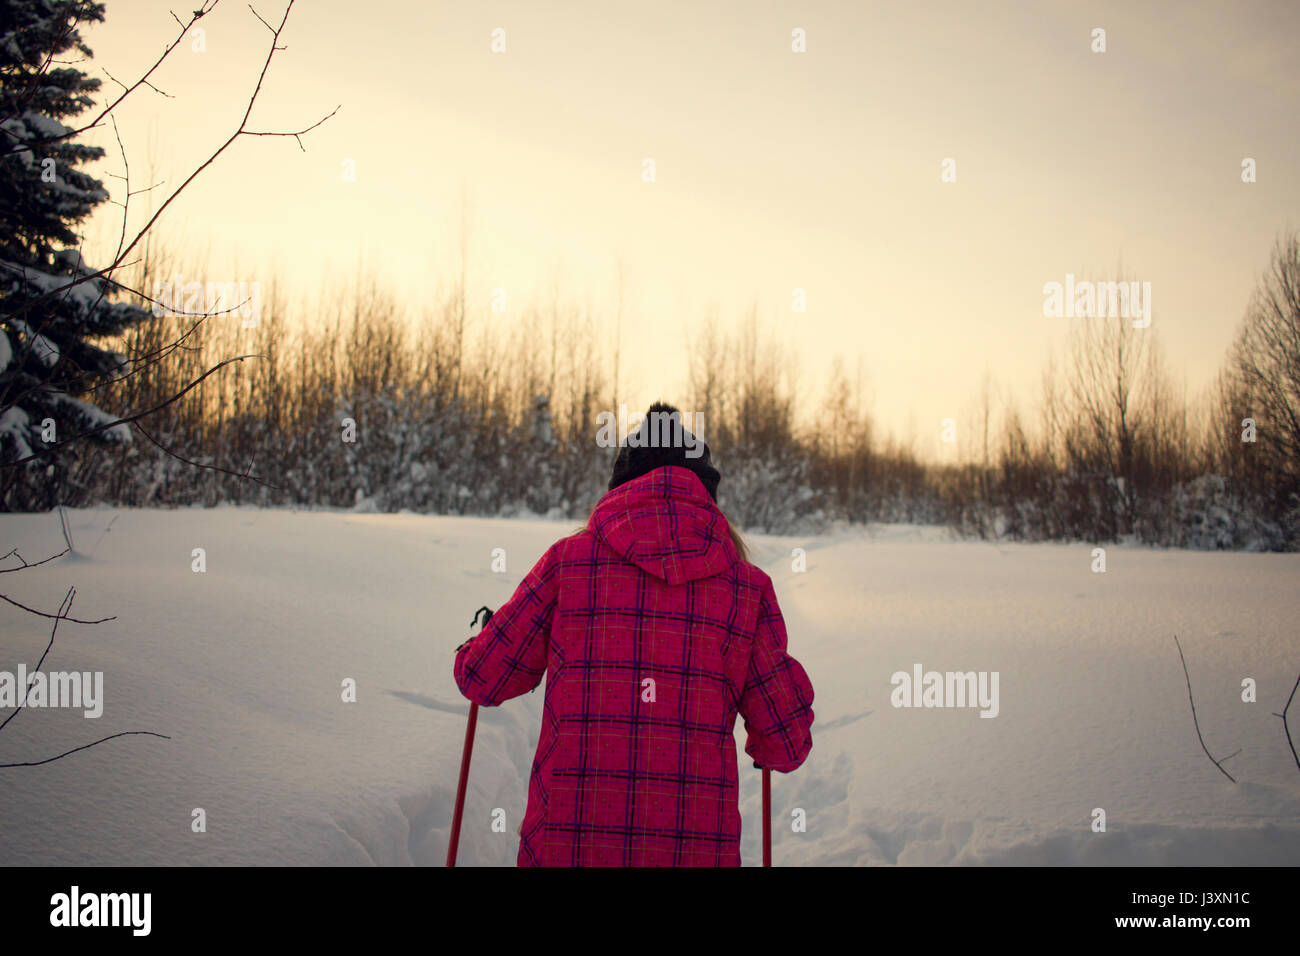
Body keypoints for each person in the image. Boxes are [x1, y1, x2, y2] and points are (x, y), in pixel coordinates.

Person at [453, 402, 815, 866]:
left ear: (621, 487)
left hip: (569, 850)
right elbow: (786, 743)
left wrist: (481, 641)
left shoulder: (569, 562)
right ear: (706, 493)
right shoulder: (747, 589)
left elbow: (482, 678)